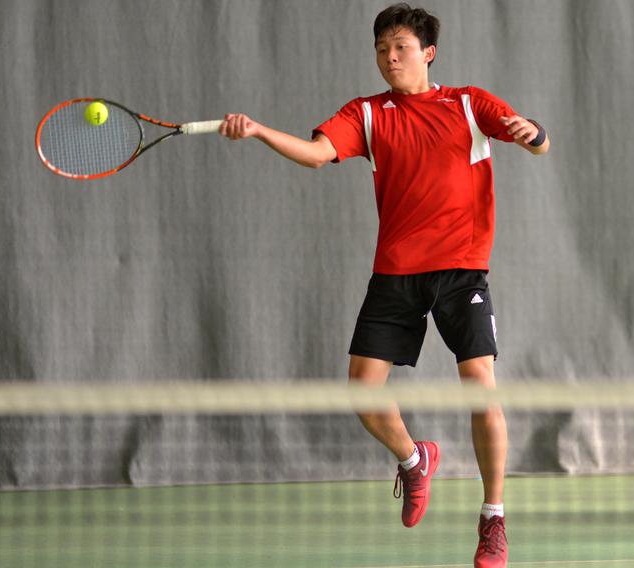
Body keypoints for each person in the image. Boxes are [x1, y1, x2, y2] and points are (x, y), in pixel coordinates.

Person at [219, 4, 548, 566]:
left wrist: (532, 132)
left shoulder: (469, 103)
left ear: (428, 53)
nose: (389, 58)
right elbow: (318, 154)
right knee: (362, 392)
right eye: (381, 50)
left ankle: (493, 518)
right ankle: (415, 460)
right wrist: (258, 131)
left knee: (481, 388)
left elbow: (537, 142)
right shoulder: (367, 114)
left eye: (400, 47)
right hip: (395, 272)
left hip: (461, 269)